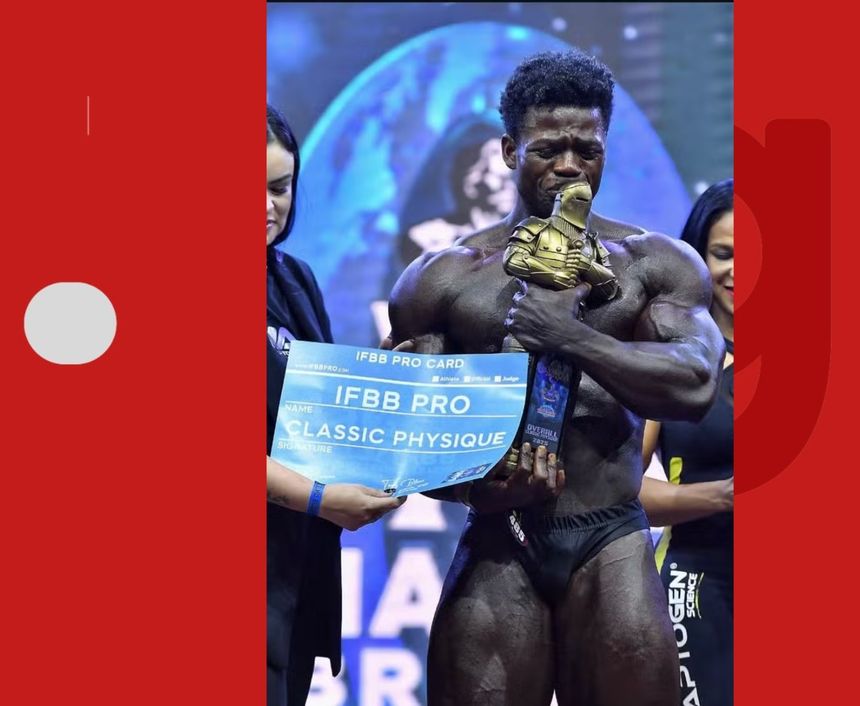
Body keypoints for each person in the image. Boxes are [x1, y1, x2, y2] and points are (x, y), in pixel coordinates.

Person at [387, 51, 725, 706]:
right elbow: (405, 434)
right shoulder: (443, 278)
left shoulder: (655, 264)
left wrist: (569, 336)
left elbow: (693, 386)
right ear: (509, 150)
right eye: (548, 150)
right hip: (499, 535)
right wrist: (473, 489)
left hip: (610, 532)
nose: (569, 166)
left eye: (586, 150)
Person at [265, 104, 406, 706]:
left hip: (294, 576)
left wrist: (386, 375)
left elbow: (317, 416)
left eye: (279, 188)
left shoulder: (293, 279)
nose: (267, 207)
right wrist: (321, 499)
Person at [640, 178, 734, 706]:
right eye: (724, 254)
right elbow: (618, 494)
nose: (740, 271)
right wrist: (724, 496)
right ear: (696, 259)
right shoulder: (670, 357)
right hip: (698, 582)